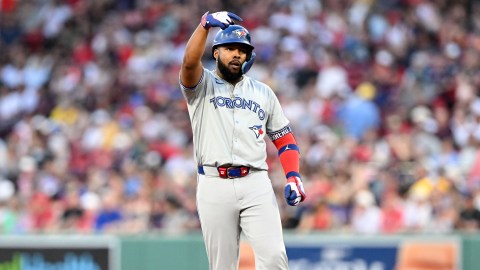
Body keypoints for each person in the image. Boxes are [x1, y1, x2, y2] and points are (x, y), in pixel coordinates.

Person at [178, 11, 306, 270]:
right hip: (214, 182)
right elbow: (189, 65)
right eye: (230, 48)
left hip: (255, 182)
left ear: (250, 56)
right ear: (216, 53)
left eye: (242, 50)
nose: (237, 54)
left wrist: (293, 175)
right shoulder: (203, 85)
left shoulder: (263, 92)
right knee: (222, 265)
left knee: (274, 259)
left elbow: (285, 140)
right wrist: (203, 26)